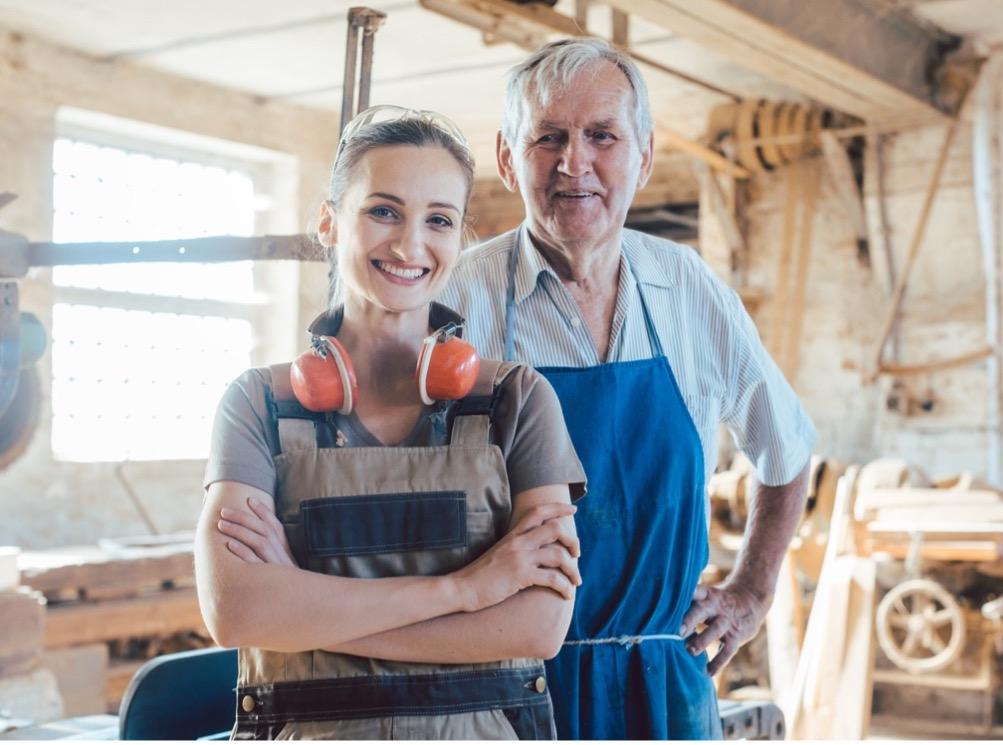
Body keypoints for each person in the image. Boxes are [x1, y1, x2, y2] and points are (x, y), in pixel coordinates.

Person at [437, 38, 817, 739]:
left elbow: (787, 449)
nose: (572, 162)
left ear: (643, 156)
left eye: (601, 136)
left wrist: (753, 590)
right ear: (505, 157)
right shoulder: (456, 299)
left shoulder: (691, 291)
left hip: (663, 691)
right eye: (547, 136)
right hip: (502, 691)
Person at [195, 106, 588, 740]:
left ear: (461, 236)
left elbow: (537, 626)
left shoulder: (517, 401)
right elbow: (236, 611)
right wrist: (467, 590)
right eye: (383, 211)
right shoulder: (257, 406)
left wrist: (302, 603)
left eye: (439, 220)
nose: (410, 245)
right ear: (328, 222)